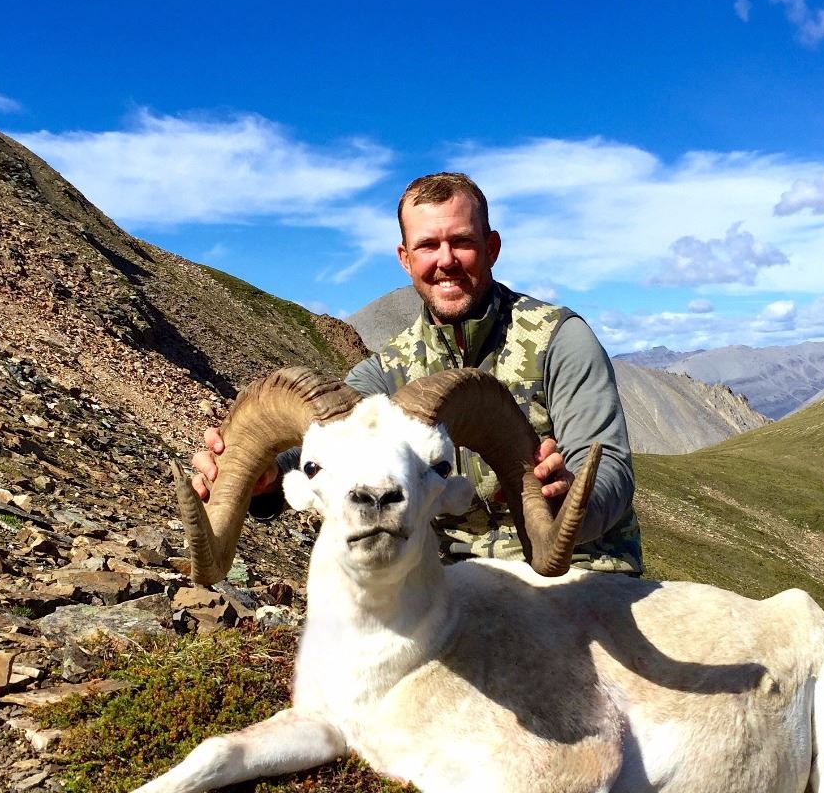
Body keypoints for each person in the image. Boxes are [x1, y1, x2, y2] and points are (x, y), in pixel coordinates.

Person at [192, 172, 642, 573]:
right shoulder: (388, 371)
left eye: (461, 241)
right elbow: (332, 440)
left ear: (491, 248)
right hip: (454, 581)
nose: (445, 260)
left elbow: (609, 468)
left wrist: (570, 502)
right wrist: (266, 477)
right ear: (405, 258)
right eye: (427, 245)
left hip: (574, 570)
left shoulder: (559, 339)